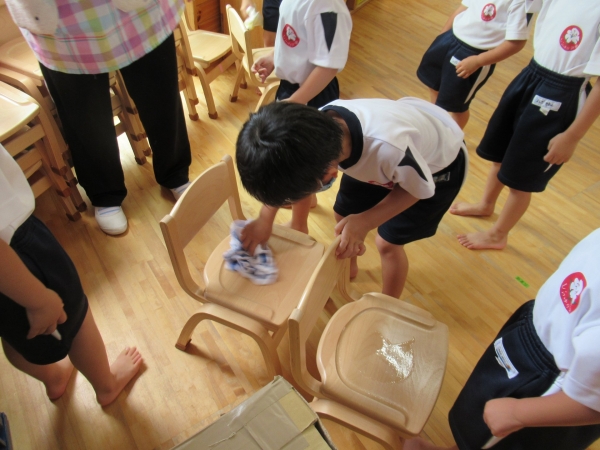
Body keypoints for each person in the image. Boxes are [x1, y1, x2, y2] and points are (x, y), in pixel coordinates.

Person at [236, 98, 467, 298]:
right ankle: (351, 265)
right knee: (343, 213)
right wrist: (265, 218)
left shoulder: (388, 149)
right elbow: (288, 172)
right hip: (394, 146)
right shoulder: (313, 130)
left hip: (438, 164)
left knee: (387, 243)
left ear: (329, 175)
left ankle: (388, 303)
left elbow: (418, 189)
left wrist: (366, 222)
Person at [5, 0, 193, 236]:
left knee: (161, 98)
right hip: (61, 23)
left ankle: (175, 172)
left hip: (142, 14)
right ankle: (104, 194)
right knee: (84, 120)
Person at [405, 228, 600, 450]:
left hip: (555, 390)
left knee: (505, 438)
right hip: (535, 334)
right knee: (478, 430)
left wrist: (519, 414)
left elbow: (592, 401)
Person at [450, 0, 600, 249]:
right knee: (501, 151)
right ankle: (487, 203)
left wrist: (572, 136)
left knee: (522, 176)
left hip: (563, 93)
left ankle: (499, 234)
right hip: (532, 75)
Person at [0, 144, 143, 406]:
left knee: (10, 332)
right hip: (14, 247)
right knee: (74, 315)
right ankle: (106, 385)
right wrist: (39, 300)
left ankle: (52, 377)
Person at [250, 0, 352, 234]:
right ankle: (306, 200)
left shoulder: (327, 7)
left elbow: (328, 66)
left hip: (312, 94)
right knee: (294, 158)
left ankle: (299, 224)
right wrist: (275, 57)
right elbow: (294, 40)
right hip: (294, 91)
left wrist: (297, 100)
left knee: (300, 162)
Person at [417, 0, 530, 129]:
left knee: (457, 105)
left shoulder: (519, 3)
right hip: (450, 40)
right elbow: (462, 9)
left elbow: (516, 43)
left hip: (474, 55)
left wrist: (478, 61)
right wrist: (442, 37)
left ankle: (452, 140)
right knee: (434, 85)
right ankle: (436, 122)